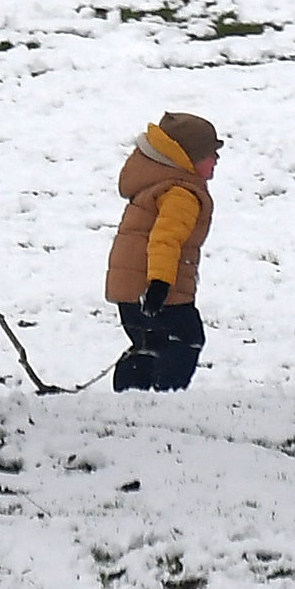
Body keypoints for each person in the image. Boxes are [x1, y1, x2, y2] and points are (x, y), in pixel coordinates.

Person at [102, 111, 221, 393]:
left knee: (148, 345)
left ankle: (131, 396)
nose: (216, 160)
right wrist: (160, 284)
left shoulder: (155, 185)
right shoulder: (182, 194)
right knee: (185, 340)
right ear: (188, 158)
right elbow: (164, 241)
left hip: (130, 290)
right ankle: (164, 400)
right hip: (160, 291)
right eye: (210, 154)